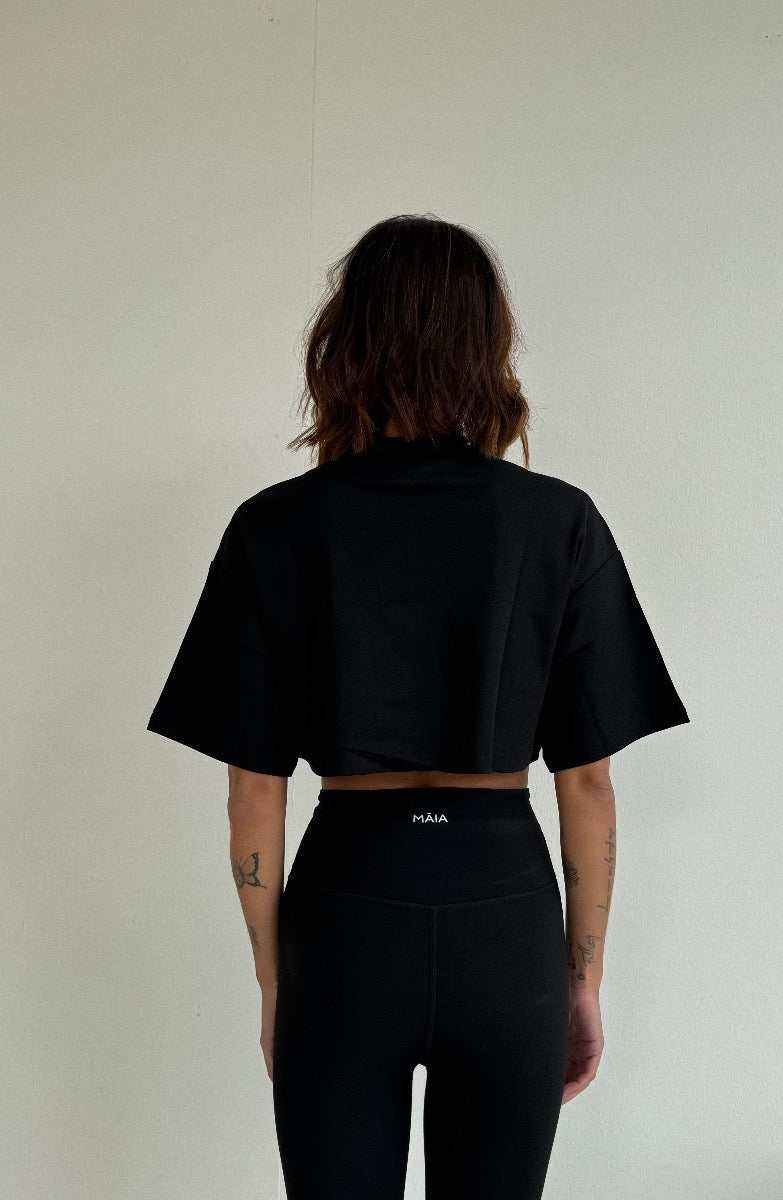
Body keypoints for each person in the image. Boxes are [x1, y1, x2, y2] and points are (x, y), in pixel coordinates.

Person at [146, 214, 690, 1199]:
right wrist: (583, 981)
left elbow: (253, 793)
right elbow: (590, 787)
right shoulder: (558, 521)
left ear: (345, 343)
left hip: (347, 910)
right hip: (505, 915)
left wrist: (277, 985)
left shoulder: (277, 526)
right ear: (487, 345)